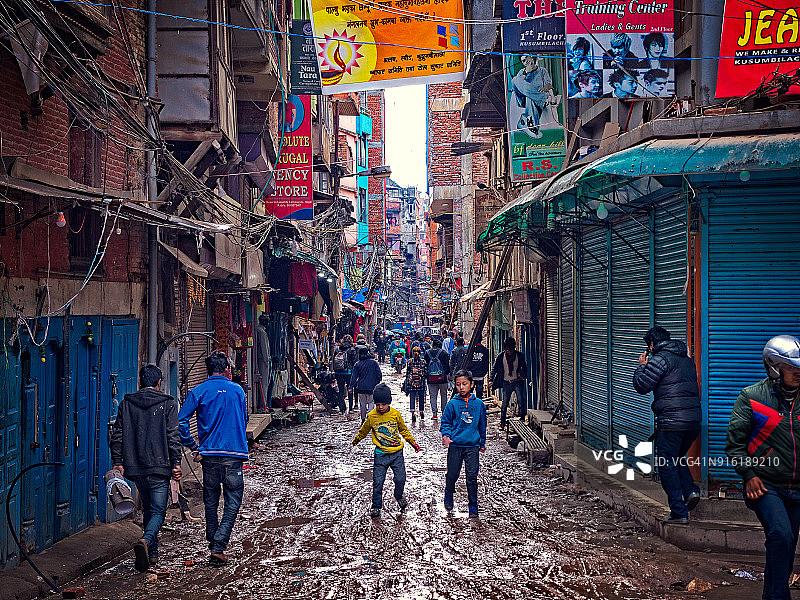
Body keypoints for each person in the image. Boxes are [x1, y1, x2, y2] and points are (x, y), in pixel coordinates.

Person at [726, 335, 800, 600]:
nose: (797, 372)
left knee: (787, 545)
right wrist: (748, 474)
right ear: (774, 367)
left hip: (797, 487)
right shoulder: (751, 397)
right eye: (790, 367)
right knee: (781, 535)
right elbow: (735, 445)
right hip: (766, 485)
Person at [178, 351, 248, 567]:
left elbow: (181, 422)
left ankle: (213, 540)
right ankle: (218, 545)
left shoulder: (198, 391)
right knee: (233, 501)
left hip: (208, 455)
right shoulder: (238, 390)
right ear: (227, 369)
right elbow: (244, 419)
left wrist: (193, 447)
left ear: (207, 370)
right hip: (233, 455)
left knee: (210, 499)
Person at [110, 364, 181, 572]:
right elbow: (173, 436)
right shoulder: (167, 404)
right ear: (159, 383)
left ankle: (153, 553)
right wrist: (176, 463)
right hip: (159, 467)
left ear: (141, 382)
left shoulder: (127, 403)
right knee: (158, 510)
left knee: (149, 508)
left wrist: (117, 461)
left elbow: (117, 435)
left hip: (137, 467)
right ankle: (145, 540)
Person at [632, 326, 701, 524]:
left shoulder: (660, 359)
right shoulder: (686, 359)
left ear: (652, 345)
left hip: (672, 422)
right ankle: (690, 491)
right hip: (693, 421)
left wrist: (641, 366)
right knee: (676, 458)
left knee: (665, 465)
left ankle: (679, 512)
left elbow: (642, 386)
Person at [353, 383, 421, 517]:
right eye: (377, 404)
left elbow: (403, 430)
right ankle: (376, 506)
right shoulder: (371, 416)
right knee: (378, 482)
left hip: (397, 454)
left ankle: (398, 495)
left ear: (389, 402)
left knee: (400, 479)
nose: (380, 407)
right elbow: (364, 430)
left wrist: (412, 443)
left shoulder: (395, 414)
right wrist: (356, 440)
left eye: (383, 404)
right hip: (380, 454)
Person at [441, 370, 487, 516]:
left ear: (471, 384)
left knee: (472, 477)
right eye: (458, 384)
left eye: (464, 384)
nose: (461, 387)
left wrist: (482, 442)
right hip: (455, 445)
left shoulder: (479, 404)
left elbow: (482, 425)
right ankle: (449, 492)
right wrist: (446, 436)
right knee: (452, 474)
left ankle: (473, 505)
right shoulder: (452, 404)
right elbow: (445, 422)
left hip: (472, 446)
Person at [510, 54, 557, 139]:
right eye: (523, 61)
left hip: (539, 97)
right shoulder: (522, 72)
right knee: (515, 80)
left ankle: (529, 124)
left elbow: (549, 84)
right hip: (529, 98)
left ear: (531, 57)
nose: (526, 61)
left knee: (530, 98)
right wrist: (526, 73)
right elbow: (518, 85)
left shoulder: (542, 70)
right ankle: (530, 125)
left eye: (526, 58)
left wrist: (545, 89)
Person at [490, 337, 528, 429]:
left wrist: (522, 375)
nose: (509, 352)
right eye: (507, 350)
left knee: (521, 401)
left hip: (517, 382)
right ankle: (502, 423)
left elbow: (525, 368)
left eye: (511, 350)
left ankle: (522, 420)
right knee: (504, 404)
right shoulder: (501, 357)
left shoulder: (519, 356)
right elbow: (494, 369)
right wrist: (491, 380)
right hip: (506, 382)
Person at [350, 346, 383, 421]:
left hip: (361, 387)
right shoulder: (374, 362)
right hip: (372, 387)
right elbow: (379, 374)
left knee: (362, 404)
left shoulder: (357, 364)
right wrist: (377, 382)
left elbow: (354, 377)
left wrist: (350, 387)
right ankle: (370, 419)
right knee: (371, 403)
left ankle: (363, 419)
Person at [425, 338, 451, 419]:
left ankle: (434, 414)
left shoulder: (427, 353)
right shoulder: (444, 353)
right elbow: (447, 366)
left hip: (431, 379)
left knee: (433, 396)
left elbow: (425, 366)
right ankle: (443, 413)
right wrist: (446, 374)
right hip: (442, 378)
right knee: (444, 395)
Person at [333, 334, 358, 414]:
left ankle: (342, 409)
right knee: (350, 389)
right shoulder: (352, 349)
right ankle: (350, 408)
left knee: (341, 390)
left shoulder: (338, 349)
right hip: (348, 372)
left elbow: (333, 360)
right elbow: (354, 362)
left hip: (338, 372)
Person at [403, 345, 428, 422]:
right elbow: (426, 373)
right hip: (421, 383)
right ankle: (421, 412)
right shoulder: (423, 362)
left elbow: (408, 373)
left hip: (412, 383)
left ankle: (413, 413)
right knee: (421, 397)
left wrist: (407, 382)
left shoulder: (409, 362)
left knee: (412, 397)